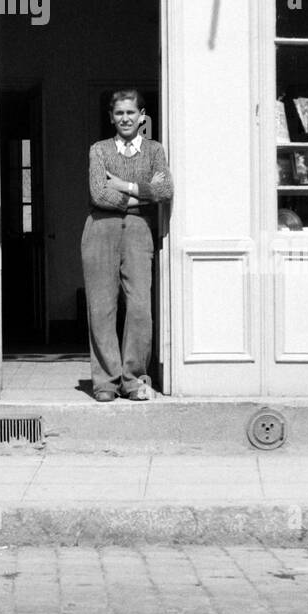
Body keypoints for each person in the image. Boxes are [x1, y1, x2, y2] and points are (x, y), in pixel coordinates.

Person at [80, 89, 174, 402]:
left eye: (131, 112)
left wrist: (123, 185)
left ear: (142, 115)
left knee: (139, 308)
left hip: (138, 233)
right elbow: (98, 194)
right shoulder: (99, 150)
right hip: (100, 232)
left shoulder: (155, 151)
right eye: (119, 113)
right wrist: (140, 196)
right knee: (102, 307)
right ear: (111, 117)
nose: (125, 118)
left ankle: (133, 380)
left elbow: (166, 189)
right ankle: (106, 382)